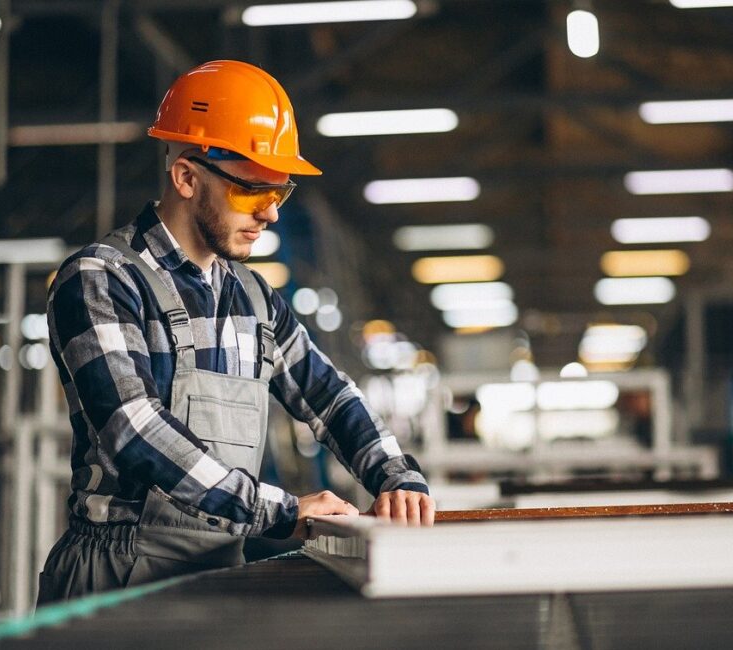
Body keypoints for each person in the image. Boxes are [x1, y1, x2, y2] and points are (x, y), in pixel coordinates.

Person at [37, 60, 435, 603]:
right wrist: (278, 512)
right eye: (252, 193)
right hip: (115, 575)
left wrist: (396, 477)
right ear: (186, 177)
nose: (270, 214)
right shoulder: (102, 279)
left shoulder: (254, 299)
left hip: (218, 570)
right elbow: (133, 429)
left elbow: (329, 394)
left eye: (279, 193)